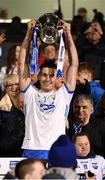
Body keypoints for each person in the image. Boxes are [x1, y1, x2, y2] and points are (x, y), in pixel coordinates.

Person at [18, 18, 78, 160]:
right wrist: (28, 33)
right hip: (32, 148)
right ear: (38, 76)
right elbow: (21, 63)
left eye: (51, 75)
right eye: (44, 75)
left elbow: (74, 65)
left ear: (57, 78)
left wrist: (68, 35)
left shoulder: (64, 94)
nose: (47, 78)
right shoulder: (30, 93)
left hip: (56, 150)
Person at [68, 94, 105, 158]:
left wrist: (86, 124)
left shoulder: (100, 125)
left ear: (91, 110)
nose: (80, 110)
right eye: (77, 107)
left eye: (84, 107)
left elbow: (99, 147)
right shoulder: (67, 124)